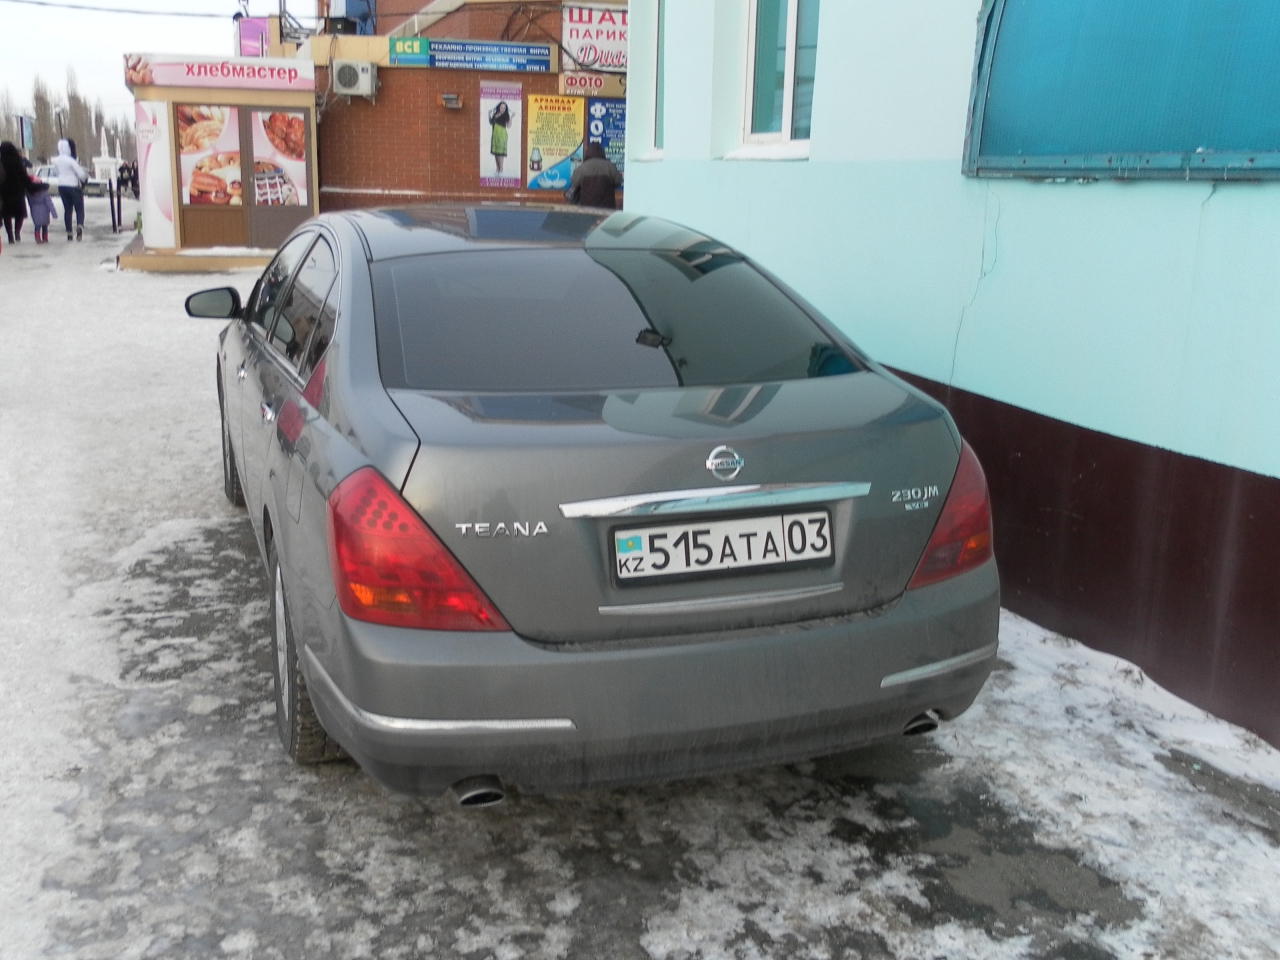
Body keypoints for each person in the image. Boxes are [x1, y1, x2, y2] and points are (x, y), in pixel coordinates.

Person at [566, 142, 623, 210]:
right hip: (607, 206)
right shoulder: (609, 166)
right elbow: (618, 181)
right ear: (602, 153)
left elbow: (574, 181)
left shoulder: (583, 167)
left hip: (586, 206)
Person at [52, 138, 89, 241]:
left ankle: (69, 232)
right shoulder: (71, 160)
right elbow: (81, 174)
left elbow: (56, 173)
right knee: (79, 208)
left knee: (68, 210)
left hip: (62, 186)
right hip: (73, 185)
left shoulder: (56, 161)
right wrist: (84, 179)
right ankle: (80, 225)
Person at [1, 141, 33, 243]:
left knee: (6, 214)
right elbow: (24, 176)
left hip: (4, 191)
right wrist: (30, 186)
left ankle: (10, 236)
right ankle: (17, 232)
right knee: (19, 213)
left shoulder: (1, 161)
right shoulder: (17, 161)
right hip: (17, 191)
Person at [488, 101, 511, 174]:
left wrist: (512, 118)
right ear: (499, 107)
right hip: (495, 135)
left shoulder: (506, 116)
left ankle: (501, 169)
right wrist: (489, 114)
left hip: (502, 135)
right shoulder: (495, 114)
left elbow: (508, 126)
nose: (503, 109)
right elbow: (491, 122)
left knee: (500, 153)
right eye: (501, 107)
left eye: (504, 108)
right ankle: (497, 168)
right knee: (496, 152)